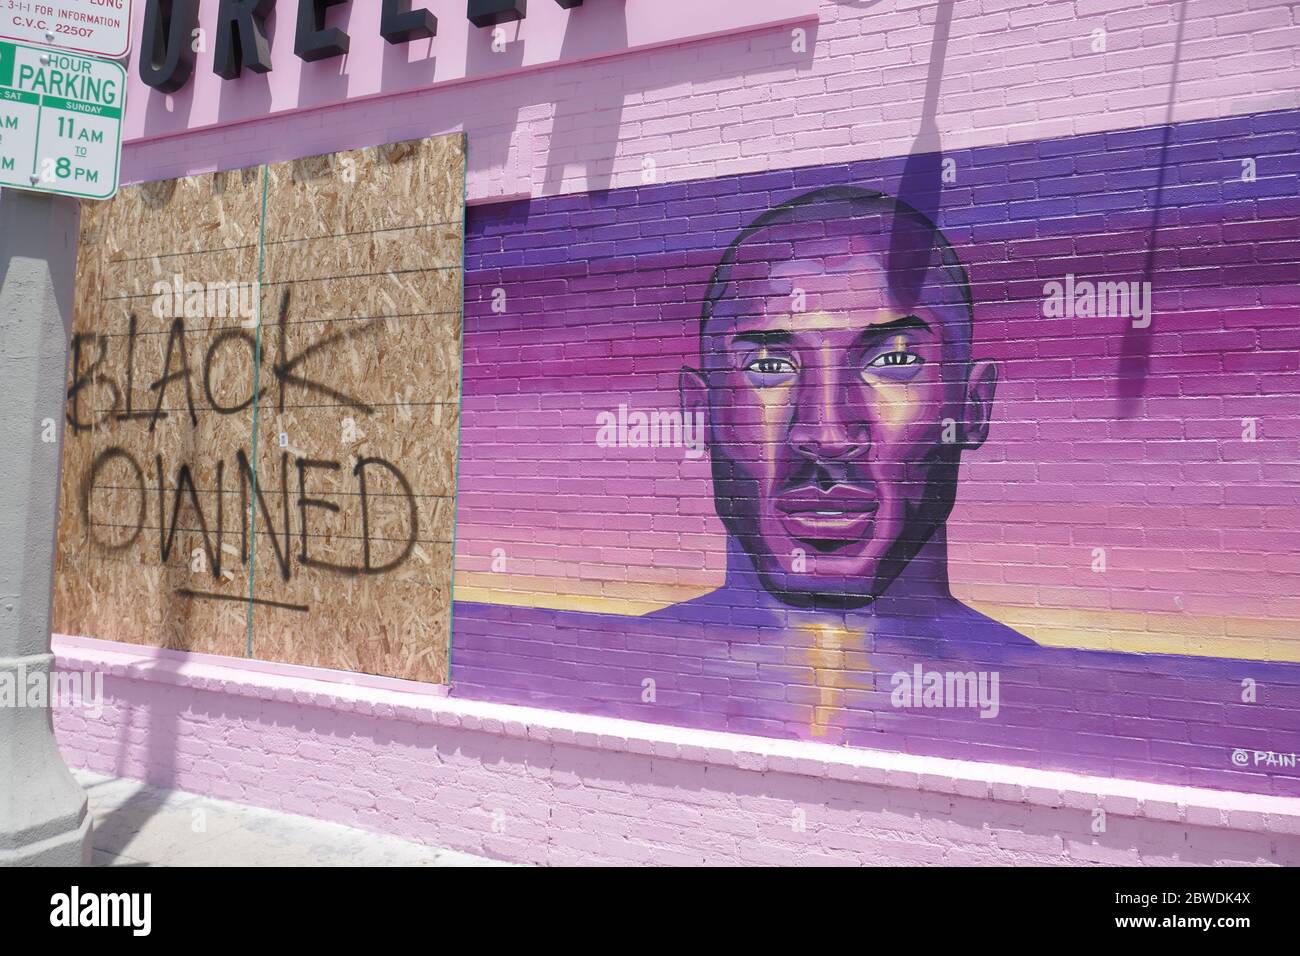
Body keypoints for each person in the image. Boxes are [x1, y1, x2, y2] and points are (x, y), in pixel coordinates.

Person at [651, 186, 1032, 647]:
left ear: (973, 406)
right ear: (698, 413)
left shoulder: (1051, 692)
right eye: (769, 367)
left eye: (893, 362)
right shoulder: (627, 666)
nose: (826, 434)